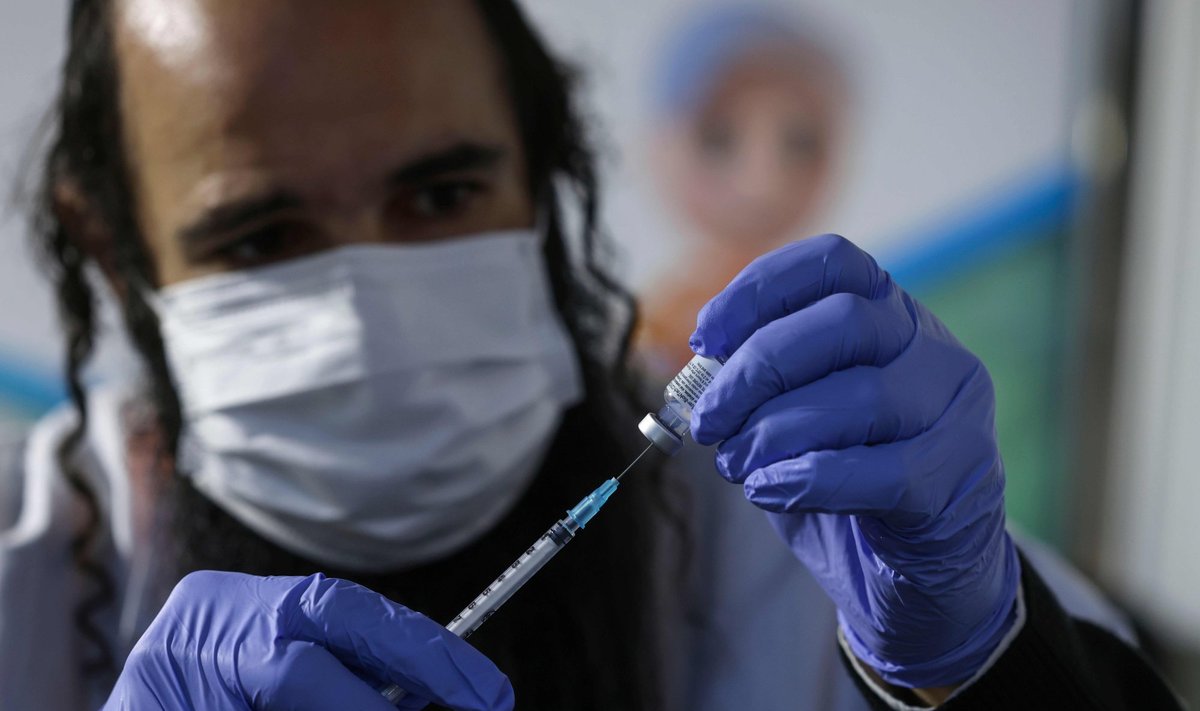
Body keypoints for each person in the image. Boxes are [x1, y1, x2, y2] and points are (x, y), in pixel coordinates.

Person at [0, 1, 1182, 709]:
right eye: (262, 238)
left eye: (441, 193)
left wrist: (982, 676)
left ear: (547, 174)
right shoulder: (24, 587)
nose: (372, 325)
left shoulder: (804, 552)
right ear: (112, 249)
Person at [636, 4, 848, 377]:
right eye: (719, 140)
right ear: (660, 149)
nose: (763, 181)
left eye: (801, 143)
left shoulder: (842, 304)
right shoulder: (658, 328)